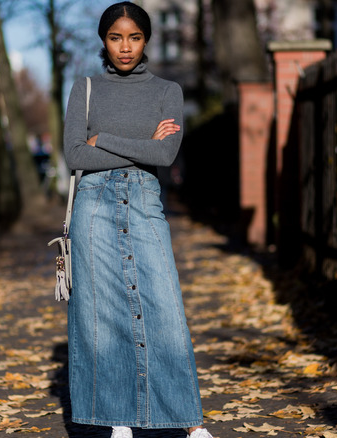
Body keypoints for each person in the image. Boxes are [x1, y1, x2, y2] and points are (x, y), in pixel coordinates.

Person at [62, 3, 212, 438]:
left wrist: (103, 139)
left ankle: (189, 423)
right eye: (115, 37)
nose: (124, 47)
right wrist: (139, 143)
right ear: (103, 40)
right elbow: (74, 155)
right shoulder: (84, 88)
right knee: (102, 314)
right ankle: (119, 421)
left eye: (134, 37)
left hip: (145, 202)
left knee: (164, 307)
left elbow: (164, 155)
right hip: (93, 205)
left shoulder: (168, 91)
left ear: (146, 40)